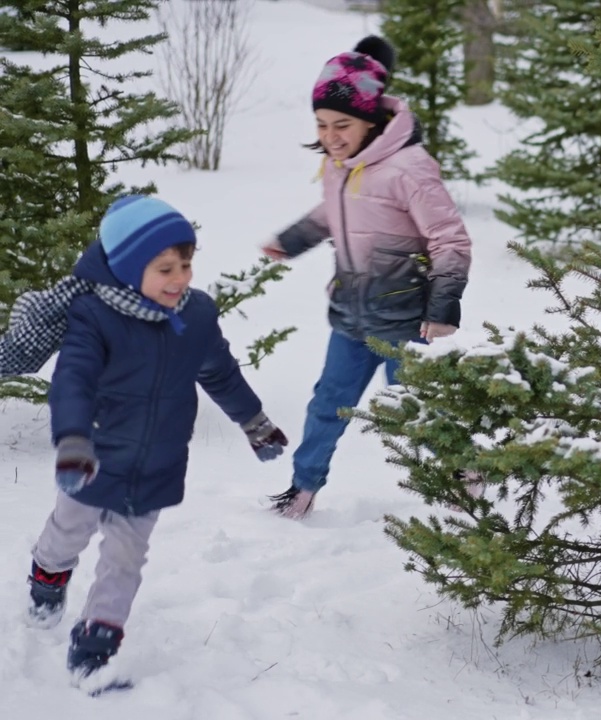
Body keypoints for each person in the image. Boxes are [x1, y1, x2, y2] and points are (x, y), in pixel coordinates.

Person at [25, 195, 289, 687]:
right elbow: (73, 381)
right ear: (126, 270)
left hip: (157, 463)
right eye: (165, 268)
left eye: (185, 264)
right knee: (69, 531)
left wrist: (254, 422)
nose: (180, 278)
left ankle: (95, 647)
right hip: (93, 458)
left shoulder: (196, 317)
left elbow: (221, 374)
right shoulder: (94, 316)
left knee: (126, 556)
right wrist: (73, 440)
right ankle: (47, 574)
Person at [262, 36, 472, 520]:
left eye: (342, 124)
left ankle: (464, 474)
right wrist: (294, 238)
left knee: (419, 409)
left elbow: (450, 240)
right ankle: (302, 488)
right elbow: (337, 212)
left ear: (371, 120)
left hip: (403, 319)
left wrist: (443, 310)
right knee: (327, 405)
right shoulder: (341, 165)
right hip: (351, 315)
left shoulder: (408, 169)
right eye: (321, 124)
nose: (331, 136)